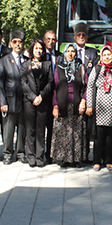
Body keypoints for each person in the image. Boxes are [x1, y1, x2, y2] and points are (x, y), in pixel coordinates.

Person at [85, 46, 112, 171]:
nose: (107, 57)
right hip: (99, 108)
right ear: (101, 57)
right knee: (98, 135)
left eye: (109, 55)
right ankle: (97, 161)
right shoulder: (97, 68)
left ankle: (109, 160)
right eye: (105, 55)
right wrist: (89, 105)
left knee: (110, 136)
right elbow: (90, 87)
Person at [51, 44, 87, 166]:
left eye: (73, 51)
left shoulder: (80, 68)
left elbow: (86, 86)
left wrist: (84, 101)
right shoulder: (59, 68)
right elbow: (54, 88)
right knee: (63, 132)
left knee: (76, 133)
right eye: (68, 51)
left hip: (77, 104)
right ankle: (64, 159)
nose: (71, 54)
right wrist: (55, 105)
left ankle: (76, 159)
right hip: (62, 104)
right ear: (64, 53)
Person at [21, 39, 54, 167]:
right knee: (30, 130)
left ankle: (40, 157)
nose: (38, 51)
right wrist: (33, 97)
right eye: (36, 48)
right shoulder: (25, 65)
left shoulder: (47, 64)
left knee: (41, 130)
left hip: (43, 101)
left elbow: (50, 82)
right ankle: (30, 156)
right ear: (32, 50)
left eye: (40, 48)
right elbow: (23, 83)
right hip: (29, 101)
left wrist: (41, 96)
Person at [0, 29, 27, 164]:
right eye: (15, 42)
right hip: (9, 101)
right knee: (8, 130)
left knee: (22, 129)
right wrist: (2, 102)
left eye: (20, 42)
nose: (17, 44)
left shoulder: (27, 60)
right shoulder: (4, 60)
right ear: (11, 43)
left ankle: (21, 153)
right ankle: (7, 154)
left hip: (24, 101)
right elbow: (0, 83)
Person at [73, 22, 99, 161]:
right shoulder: (69, 50)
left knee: (88, 128)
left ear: (87, 37)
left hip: (88, 93)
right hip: (73, 94)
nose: (81, 37)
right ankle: (75, 154)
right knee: (75, 127)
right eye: (79, 35)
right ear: (74, 37)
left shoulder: (93, 53)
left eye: (83, 35)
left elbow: (95, 75)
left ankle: (85, 155)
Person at [44, 30, 61, 162]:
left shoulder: (60, 57)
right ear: (44, 40)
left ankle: (50, 153)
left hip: (56, 96)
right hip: (42, 96)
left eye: (53, 39)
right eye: (48, 39)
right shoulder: (40, 55)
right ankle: (39, 153)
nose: (51, 42)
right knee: (40, 127)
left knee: (53, 126)